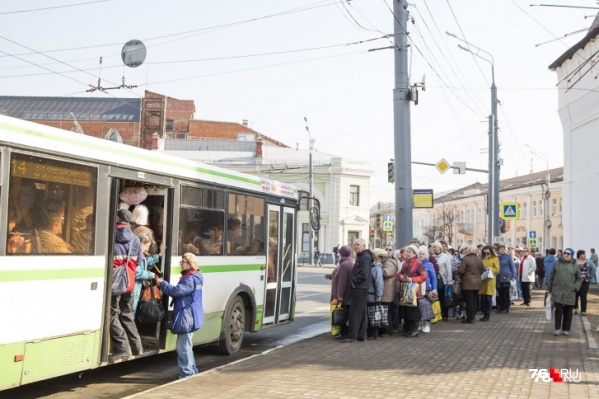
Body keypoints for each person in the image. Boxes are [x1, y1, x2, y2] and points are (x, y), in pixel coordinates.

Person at [155, 253, 204, 378]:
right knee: (187, 345)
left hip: (187, 315)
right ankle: (191, 371)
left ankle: (187, 374)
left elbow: (177, 291)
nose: (181, 264)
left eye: (182, 262)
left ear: (189, 263)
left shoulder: (190, 279)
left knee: (183, 347)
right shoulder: (194, 276)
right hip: (191, 314)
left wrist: (162, 284)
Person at [110, 209, 144, 360]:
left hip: (115, 283)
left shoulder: (111, 235)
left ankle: (122, 348)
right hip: (129, 282)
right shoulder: (136, 239)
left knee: (112, 315)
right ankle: (137, 347)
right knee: (127, 314)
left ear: (117, 218)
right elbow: (139, 260)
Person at [341, 238, 372, 343]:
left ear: (363, 245)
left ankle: (352, 336)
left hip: (360, 288)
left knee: (354, 313)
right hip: (361, 288)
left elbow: (364, 273)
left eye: (357, 244)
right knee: (362, 313)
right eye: (354, 244)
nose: (355, 246)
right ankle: (361, 335)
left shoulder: (365, 257)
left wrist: (354, 280)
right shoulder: (362, 256)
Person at [547, 248, 582, 336]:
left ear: (571, 255)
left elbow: (579, 278)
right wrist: (549, 288)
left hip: (570, 291)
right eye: (564, 253)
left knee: (568, 311)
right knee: (558, 310)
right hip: (557, 290)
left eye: (568, 254)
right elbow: (551, 276)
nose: (566, 255)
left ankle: (566, 329)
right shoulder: (557, 263)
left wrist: (575, 287)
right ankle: (557, 328)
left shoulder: (575, 265)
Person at [397, 245, 427, 338]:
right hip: (405, 290)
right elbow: (400, 273)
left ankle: (414, 330)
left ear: (414, 253)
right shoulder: (405, 263)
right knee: (406, 311)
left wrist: (411, 279)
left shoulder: (418, 263)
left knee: (413, 311)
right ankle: (407, 329)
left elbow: (424, 276)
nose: (407, 253)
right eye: (406, 251)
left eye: (409, 252)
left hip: (414, 291)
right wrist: (400, 277)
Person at [132, 233, 164, 316]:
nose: (147, 249)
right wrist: (150, 274)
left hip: (136, 287)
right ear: (141, 243)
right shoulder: (135, 254)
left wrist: (159, 255)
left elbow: (144, 262)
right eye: (147, 246)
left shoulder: (138, 253)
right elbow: (137, 272)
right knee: (131, 310)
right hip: (134, 287)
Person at [330, 245, 353, 340]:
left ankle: (344, 333)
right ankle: (346, 332)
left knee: (343, 314)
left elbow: (342, 282)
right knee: (347, 313)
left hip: (345, 295)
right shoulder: (350, 262)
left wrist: (339, 295)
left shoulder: (344, 264)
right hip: (349, 293)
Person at [457, 244, 483, 324]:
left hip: (468, 283)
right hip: (477, 282)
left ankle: (469, 319)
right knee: (474, 301)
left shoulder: (466, 259)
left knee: (469, 302)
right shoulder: (479, 259)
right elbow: (481, 270)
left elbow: (461, 270)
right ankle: (473, 317)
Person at [380, 246, 399, 336]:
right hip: (388, 289)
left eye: (390, 250)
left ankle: (388, 330)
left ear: (393, 252)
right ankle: (386, 330)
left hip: (388, 289)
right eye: (386, 249)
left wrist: (378, 267)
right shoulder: (387, 261)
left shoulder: (390, 262)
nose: (387, 251)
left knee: (386, 311)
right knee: (386, 311)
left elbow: (387, 273)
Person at [366, 248, 385, 340]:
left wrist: (378, 296)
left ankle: (373, 333)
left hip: (372, 294)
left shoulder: (376, 268)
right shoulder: (374, 266)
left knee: (372, 314)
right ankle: (372, 333)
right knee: (372, 313)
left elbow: (379, 282)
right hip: (371, 293)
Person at [417, 245, 436, 333]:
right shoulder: (416, 264)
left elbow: (433, 278)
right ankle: (420, 324)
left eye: (423, 254)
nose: (421, 255)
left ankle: (426, 324)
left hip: (427, 289)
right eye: (420, 254)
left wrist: (434, 289)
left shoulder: (429, 264)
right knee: (418, 308)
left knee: (426, 307)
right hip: (417, 288)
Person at [432, 241, 453, 321]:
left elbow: (448, 269)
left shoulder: (445, 257)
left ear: (440, 248)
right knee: (435, 298)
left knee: (443, 298)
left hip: (443, 281)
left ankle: (445, 313)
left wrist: (449, 281)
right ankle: (437, 313)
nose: (434, 249)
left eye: (436, 247)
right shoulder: (432, 257)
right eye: (433, 247)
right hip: (434, 280)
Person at [480, 245, 500, 322]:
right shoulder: (482, 259)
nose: (486, 255)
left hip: (490, 280)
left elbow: (497, 270)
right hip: (483, 280)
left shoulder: (495, 259)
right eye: (484, 253)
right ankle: (484, 313)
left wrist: (489, 268)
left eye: (487, 253)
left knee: (488, 298)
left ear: (491, 252)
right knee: (483, 298)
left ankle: (487, 314)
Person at [496, 245, 516, 314]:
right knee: (500, 293)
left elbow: (512, 267)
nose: (502, 250)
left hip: (506, 277)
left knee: (506, 293)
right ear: (498, 250)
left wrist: (513, 276)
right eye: (501, 249)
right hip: (498, 278)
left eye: (503, 249)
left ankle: (506, 308)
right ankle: (500, 307)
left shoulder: (508, 256)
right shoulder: (496, 257)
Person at [574, 250, 594, 316]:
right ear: (579, 255)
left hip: (585, 282)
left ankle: (583, 311)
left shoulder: (588, 261)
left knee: (583, 296)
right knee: (575, 296)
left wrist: (590, 276)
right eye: (583, 254)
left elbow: (593, 268)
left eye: (584, 254)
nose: (585, 255)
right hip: (576, 282)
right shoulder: (574, 262)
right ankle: (575, 309)